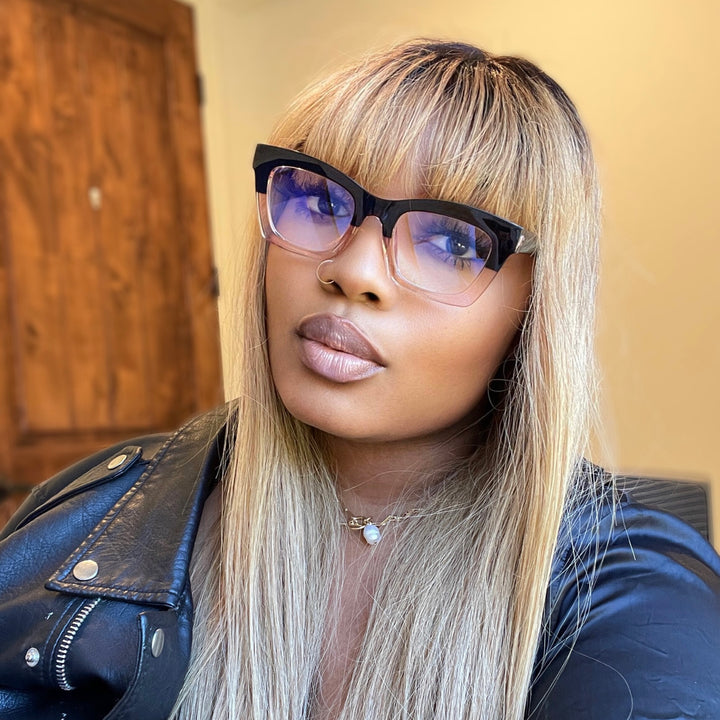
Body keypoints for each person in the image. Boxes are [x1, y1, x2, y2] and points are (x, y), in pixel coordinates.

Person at [1, 39, 719, 720]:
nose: (353, 270)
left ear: (535, 309)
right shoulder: (99, 515)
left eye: (452, 241)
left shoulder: (627, 588)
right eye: (320, 201)